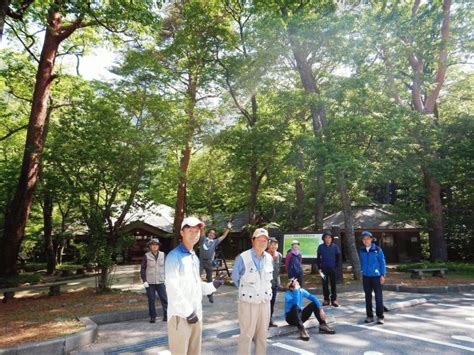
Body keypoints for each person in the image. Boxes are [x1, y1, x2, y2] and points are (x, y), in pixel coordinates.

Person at [165, 216, 225, 355]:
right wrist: (188, 312)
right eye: (190, 231)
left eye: (197, 231)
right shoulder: (174, 257)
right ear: (182, 232)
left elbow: (195, 284)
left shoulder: (194, 257)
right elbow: (172, 288)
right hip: (180, 316)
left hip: (196, 315)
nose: (194, 234)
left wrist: (212, 286)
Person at [232, 228, 273, 355]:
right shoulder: (243, 258)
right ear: (252, 241)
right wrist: (247, 290)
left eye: (265, 240)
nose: (262, 242)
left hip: (264, 302)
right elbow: (235, 278)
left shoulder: (269, 257)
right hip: (248, 302)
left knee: (262, 335)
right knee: (246, 335)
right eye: (259, 240)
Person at [359, 230, 387, 325]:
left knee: (378, 297)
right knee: (368, 297)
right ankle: (369, 316)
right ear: (362, 241)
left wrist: (382, 275)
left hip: (376, 277)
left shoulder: (378, 249)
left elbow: (382, 262)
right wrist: (361, 273)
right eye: (364, 239)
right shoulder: (361, 250)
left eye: (367, 239)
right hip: (366, 277)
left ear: (371, 239)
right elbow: (361, 263)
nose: (366, 241)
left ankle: (380, 316)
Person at [200, 222, 232, 303]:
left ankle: (210, 294)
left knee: (210, 279)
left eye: (213, 234)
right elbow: (202, 230)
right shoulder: (203, 239)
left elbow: (224, 236)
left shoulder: (215, 242)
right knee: (196, 277)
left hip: (209, 262)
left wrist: (228, 228)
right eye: (210, 233)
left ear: (214, 236)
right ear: (208, 234)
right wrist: (202, 224)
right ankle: (194, 293)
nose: (211, 234)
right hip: (201, 261)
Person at [140, 238, 168, 323]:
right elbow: (143, 269)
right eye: (152, 245)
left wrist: (167, 278)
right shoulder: (146, 256)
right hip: (150, 282)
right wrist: (144, 280)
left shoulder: (163, 255)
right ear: (150, 246)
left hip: (161, 281)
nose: (154, 246)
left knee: (164, 298)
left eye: (156, 245)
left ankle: (166, 315)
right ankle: (153, 317)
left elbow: (167, 267)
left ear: (158, 246)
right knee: (151, 300)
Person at [316, 231, 341, 307]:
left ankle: (334, 300)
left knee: (333, 284)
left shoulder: (335, 247)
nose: (327, 239)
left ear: (331, 239)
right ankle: (326, 299)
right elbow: (318, 258)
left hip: (333, 268)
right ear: (323, 239)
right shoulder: (321, 247)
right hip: (323, 269)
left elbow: (338, 257)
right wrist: (319, 268)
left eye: (329, 237)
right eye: (326, 238)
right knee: (324, 284)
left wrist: (336, 267)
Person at [266, 236, 282, 327]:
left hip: (275, 283)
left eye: (275, 245)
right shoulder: (264, 254)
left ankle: (269, 320)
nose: (273, 246)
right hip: (266, 283)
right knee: (265, 303)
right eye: (271, 245)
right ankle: (263, 322)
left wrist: (278, 282)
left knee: (272, 303)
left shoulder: (279, 255)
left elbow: (278, 269)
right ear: (268, 245)